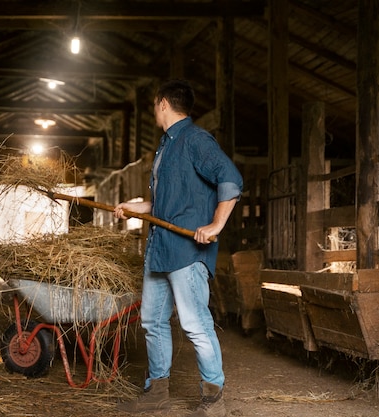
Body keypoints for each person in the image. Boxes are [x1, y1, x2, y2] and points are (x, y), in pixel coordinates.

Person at [114, 79, 242, 417]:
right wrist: (134, 206)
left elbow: (230, 179)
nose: (154, 110)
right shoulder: (166, 146)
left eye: (155, 105)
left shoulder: (195, 140)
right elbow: (161, 204)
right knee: (152, 322)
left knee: (195, 323)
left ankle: (214, 399)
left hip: (186, 253)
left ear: (163, 104)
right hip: (160, 249)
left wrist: (215, 225)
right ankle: (157, 392)